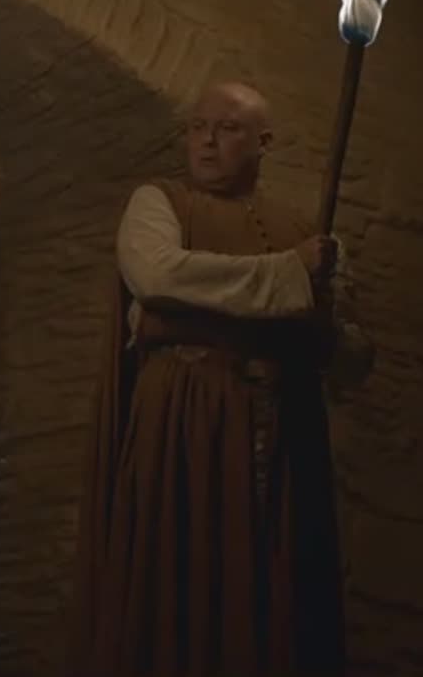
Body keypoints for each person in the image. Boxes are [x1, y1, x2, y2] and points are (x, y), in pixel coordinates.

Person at [68, 82, 374, 676]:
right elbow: (159, 276)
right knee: (181, 578)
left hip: (284, 436)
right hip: (187, 424)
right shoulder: (159, 204)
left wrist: (325, 321)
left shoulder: (305, 232)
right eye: (198, 128)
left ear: (263, 143)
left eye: (228, 129)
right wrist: (289, 277)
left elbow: (352, 358)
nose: (207, 142)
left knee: (275, 594)